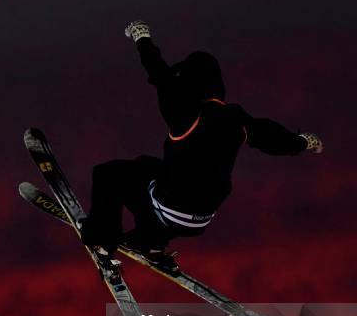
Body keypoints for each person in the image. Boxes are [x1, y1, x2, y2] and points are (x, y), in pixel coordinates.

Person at [80, 21, 323, 273]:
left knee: (107, 174)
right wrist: (305, 142)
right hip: (199, 220)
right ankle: (150, 244)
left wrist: (141, 37)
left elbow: (159, 74)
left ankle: (102, 244)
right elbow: (276, 139)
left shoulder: (185, 111)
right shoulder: (238, 120)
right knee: (147, 167)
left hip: (170, 207)